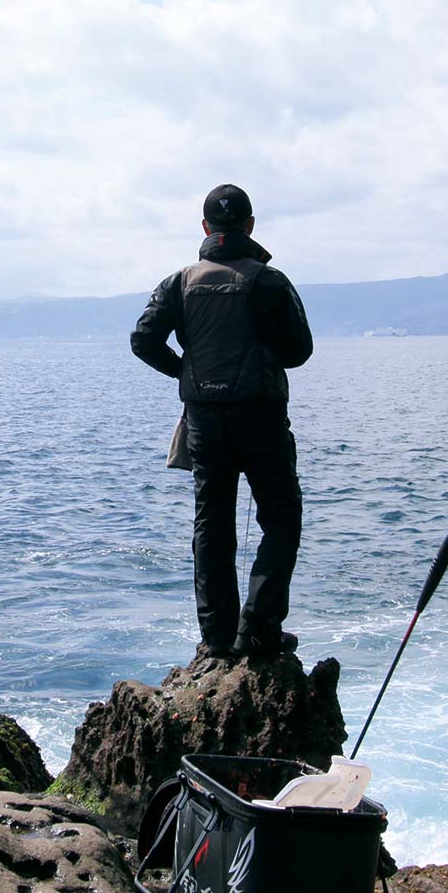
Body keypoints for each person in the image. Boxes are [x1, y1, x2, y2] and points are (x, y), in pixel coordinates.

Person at [131, 184, 313, 660]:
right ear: (249, 226)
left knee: (212, 524)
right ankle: (258, 630)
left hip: (204, 421)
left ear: (206, 228)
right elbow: (299, 353)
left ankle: (216, 638)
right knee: (281, 518)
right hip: (261, 417)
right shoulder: (271, 282)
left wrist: (188, 371)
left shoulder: (179, 281)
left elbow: (143, 340)